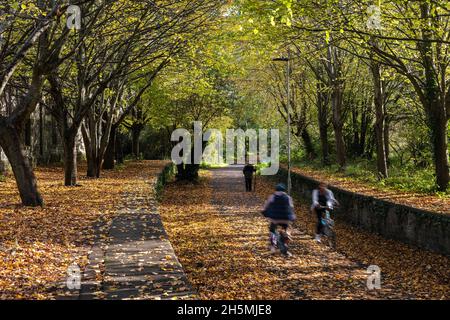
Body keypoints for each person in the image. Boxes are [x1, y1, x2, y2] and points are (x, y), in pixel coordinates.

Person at [262, 183, 296, 256]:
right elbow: (291, 208)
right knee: (287, 228)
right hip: (286, 218)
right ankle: (287, 237)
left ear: (276, 189)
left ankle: (273, 247)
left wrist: (264, 212)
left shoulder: (272, 196)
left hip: (275, 218)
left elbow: (265, 207)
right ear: (284, 190)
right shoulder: (288, 197)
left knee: (272, 230)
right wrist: (292, 217)